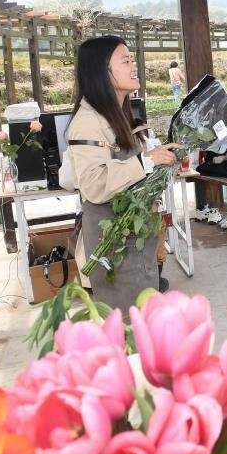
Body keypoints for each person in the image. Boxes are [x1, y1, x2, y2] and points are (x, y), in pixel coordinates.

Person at [68, 35, 182, 312]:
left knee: (143, 319)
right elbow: (94, 184)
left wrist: (162, 161)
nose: (134, 67)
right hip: (113, 247)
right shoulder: (87, 121)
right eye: (126, 61)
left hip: (134, 241)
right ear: (102, 70)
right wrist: (146, 162)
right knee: (125, 324)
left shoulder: (118, 113)